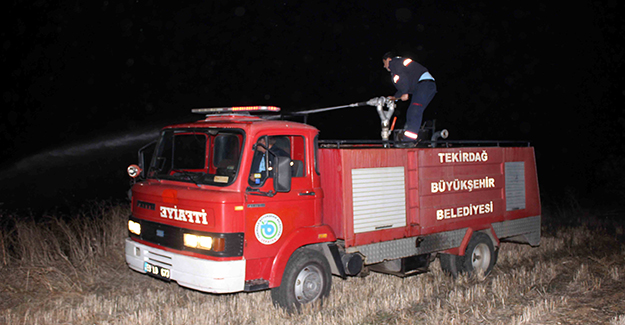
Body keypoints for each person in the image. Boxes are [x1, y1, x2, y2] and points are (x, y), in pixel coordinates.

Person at [383, 51, 437, 141]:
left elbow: (403, 79)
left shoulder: (394, 62)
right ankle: (411, 139)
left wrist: (405, 92)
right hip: (427, 87)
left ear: (388, 59)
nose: (384, 66)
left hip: (424, 84)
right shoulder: (398, 67)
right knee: (413, 112)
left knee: (414, 111)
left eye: (384, 63)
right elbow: (403, 85)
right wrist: (395, 97)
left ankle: (408, 142)